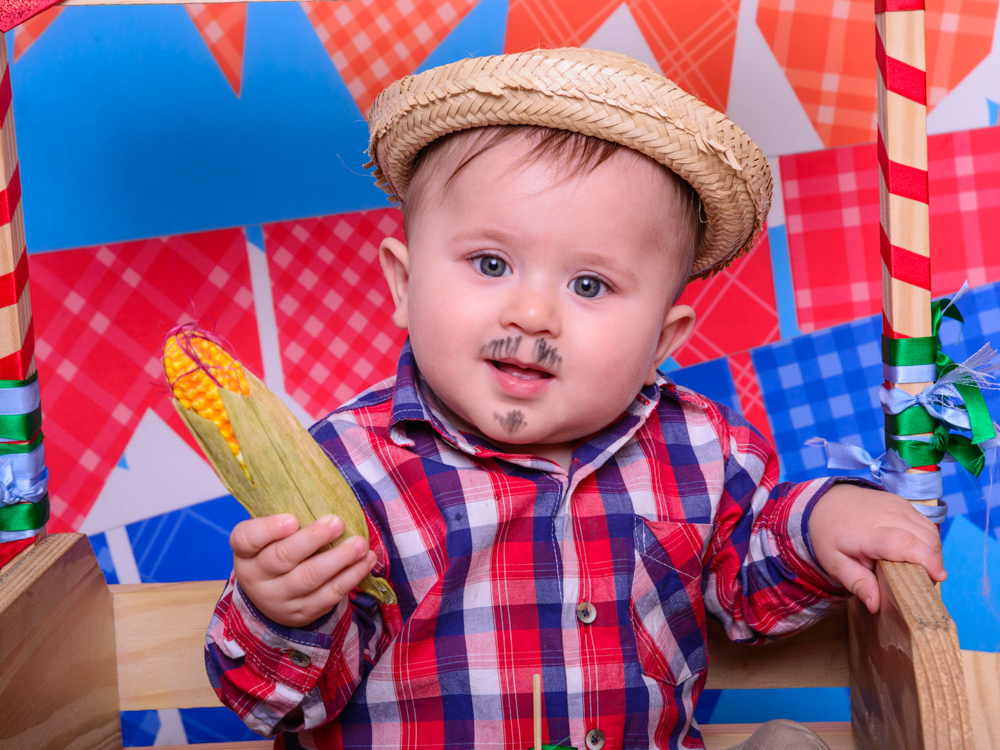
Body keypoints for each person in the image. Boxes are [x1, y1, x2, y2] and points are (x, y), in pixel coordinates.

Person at [204, 49, 946, 750]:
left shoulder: (701, 450)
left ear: (664, 336)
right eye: (490, 263)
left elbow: (749, 585)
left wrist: (825, 520)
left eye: (589, 285)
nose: (531, 315)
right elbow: (280, 703)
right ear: (404, 284)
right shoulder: (345, 469)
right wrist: (282, 609)